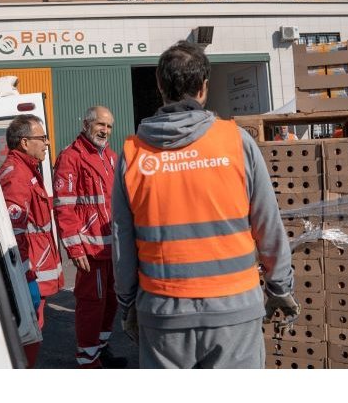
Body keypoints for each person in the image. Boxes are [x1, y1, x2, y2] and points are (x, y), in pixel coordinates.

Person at [112, 41, 298, 369]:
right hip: (234, 311)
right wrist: (280, 286)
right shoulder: (236, 142)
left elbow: (121, 242)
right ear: (204, 87)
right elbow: (268, 224)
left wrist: (128, 305)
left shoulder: (133, 155)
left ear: (159, 86)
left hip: (162, 313)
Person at [53, 106, 128, 369]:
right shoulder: (71, 157)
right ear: (86, 123)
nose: (105, 130)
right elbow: (64, 206)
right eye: (100, 124)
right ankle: (87, 362)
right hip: (90, 251)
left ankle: (100, 350)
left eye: (109, 126)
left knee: (111, 302)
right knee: (91, 306)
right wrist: (75, 248)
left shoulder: (111, 157)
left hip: (113, 249)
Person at [0, 114, 63, 368]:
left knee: (34, 331)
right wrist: (25, 278)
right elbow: (16, 233)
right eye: (42, 138)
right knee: (29, 336)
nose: (47, 143)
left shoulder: (28, 171)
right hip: (30, 273)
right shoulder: (18, 176)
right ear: (24, 143)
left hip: (35, 270)